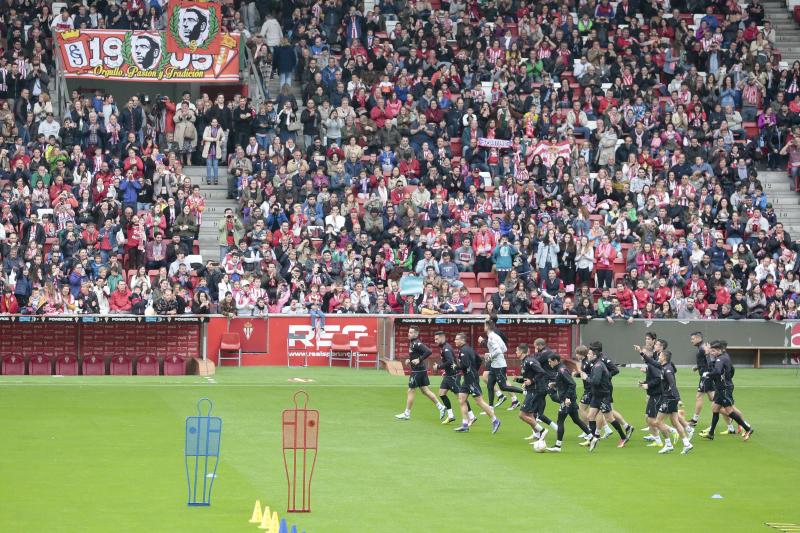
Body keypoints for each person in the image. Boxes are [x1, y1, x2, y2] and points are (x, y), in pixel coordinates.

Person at [638, 348, 694, 455]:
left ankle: (668, 445)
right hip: (669, 398)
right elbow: (652, 361)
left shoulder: (667, 370)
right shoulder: (663, 366)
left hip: (669, 399)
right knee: (675, 422)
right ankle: (687, 444)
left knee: (658, 422)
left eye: (660, 355)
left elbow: (673, 385)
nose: (658, 357)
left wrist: (678, 399)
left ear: (664, 358)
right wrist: (641, 352)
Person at [700, 340, 755, 441]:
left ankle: (748, 428)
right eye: (711, 351)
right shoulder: (724, 357)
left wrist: (707, 374)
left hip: (724, 388)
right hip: (722, 387)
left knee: (729, 411)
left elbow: (717, 371)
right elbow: (731, 370)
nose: (712, 353)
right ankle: (711, 433)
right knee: (715, 409)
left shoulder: (720, 360)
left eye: (713, 351)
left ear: (719, 350)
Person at [581, 345, 630, 451]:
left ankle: (623, 437)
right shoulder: (595, 364)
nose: (587, 355)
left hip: (603, 396)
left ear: (594, 355)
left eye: (589, 354)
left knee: (609, 418)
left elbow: (596, 381)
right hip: (596, 395)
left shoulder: (598, 366)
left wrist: (586, 378)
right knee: (590, 416)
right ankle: (594, 438)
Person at [394, 326, 446, 421]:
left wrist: (419, 359)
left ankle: (407, 413)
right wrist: (409, 360)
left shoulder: (417, 343)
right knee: (425, 391)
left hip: (417, 371)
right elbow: (416, 355)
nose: (408, 334)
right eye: (408, 332)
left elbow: (428, 351)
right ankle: (441, 407)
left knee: (411, 390)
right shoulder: (412, 343)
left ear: (416, 334)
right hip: (421, 370)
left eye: (410, 332)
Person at [452, 332, 500, 433]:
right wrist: (475, 370)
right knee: (461, 399)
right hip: (468, 378)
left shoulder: (464, 350)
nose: (455, 341)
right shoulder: (469, 349)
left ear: (462, 340)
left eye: (456, 339)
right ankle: (465, 424)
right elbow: (479, 360)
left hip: (471, 379)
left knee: (479, 402)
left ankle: (495, 420)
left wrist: (456, 367)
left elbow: (464, 365)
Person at [546, 352, 592, 452]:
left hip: (567, 400)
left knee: (560, 421)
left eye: (550, 362)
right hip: (569, 399)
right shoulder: (559, 369)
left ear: (555, 361)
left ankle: (558, 446)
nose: (549, 364)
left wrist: (567, 398)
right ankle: (592, 437)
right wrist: (554, 384)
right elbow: (564, 383)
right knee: (576, 420)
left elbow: (572, 384)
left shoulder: (561, 370)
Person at [477, 319, 522, 409]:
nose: (483, 327)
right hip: (495, 365)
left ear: (487, 327)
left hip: (499, 366)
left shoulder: (492, 337)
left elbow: (498, 350)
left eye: (484, 325)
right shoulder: (494, 336)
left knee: (503, 387)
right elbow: (504, 348)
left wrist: (490, 356)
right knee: (490, 385)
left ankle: (524, 392)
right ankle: (490, 408)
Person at [432, 331, 474, 425]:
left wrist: (439, 367)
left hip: (454, 376)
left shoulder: (446, 349)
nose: (435, 341)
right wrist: (445, 371)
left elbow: (450, 362)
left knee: (461, 398)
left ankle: (472, 416)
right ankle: (451, 416)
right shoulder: (443, 347)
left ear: (442, 338)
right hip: (448, 375)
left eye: (437, 339)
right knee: (442, 394)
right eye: (434, 339)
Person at [515, 343, 551, 443]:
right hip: (531, 389)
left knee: (522, 415)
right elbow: (529, 376)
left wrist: (532, 381)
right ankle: (538, 436)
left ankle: (542, 431)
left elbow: (541, 372)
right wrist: (525, 383)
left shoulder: (530, 361)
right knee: (530, 415)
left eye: (517, 351)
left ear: (522, 351)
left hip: (535, 390)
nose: (516, 352)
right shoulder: (524, 361)